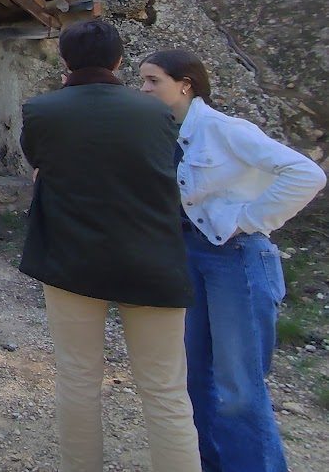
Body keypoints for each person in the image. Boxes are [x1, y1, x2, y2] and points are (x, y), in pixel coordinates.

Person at [19, 20, 200, 472]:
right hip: (152, 257)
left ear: (64, 60)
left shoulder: (41, 110)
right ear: (119, 61)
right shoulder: (155, 112)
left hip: (72, 257)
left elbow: (39, 161)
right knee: (165, 390)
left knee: (78, 380)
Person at [139, 49, 325, 472]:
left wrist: (249, 220)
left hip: (236, 259)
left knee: (238, 384)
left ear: (185, 84)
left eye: (153, 80)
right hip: (187, 256)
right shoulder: (165, 132)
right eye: (143, 80)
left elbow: (306, 174)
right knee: (194, 375)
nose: (144, 89)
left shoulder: (226, 129)